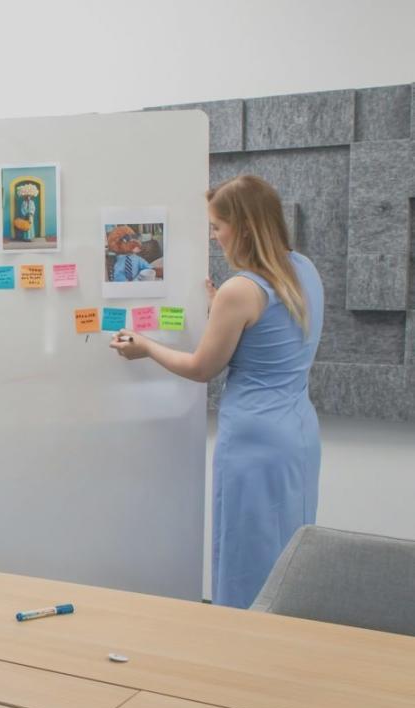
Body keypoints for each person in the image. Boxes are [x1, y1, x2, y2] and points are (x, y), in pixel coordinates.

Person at [111, 175, 323, 607]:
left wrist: (146, 346)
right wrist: (220, 311)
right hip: (298, 433)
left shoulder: (240, 291)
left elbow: (201, 368)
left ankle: (243, 661)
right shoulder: (302, 268)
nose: (213, 235)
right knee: (290, 557)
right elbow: (271, 336)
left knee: (247, 561)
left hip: (253, 441)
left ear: (242, 227)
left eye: (217, 226)